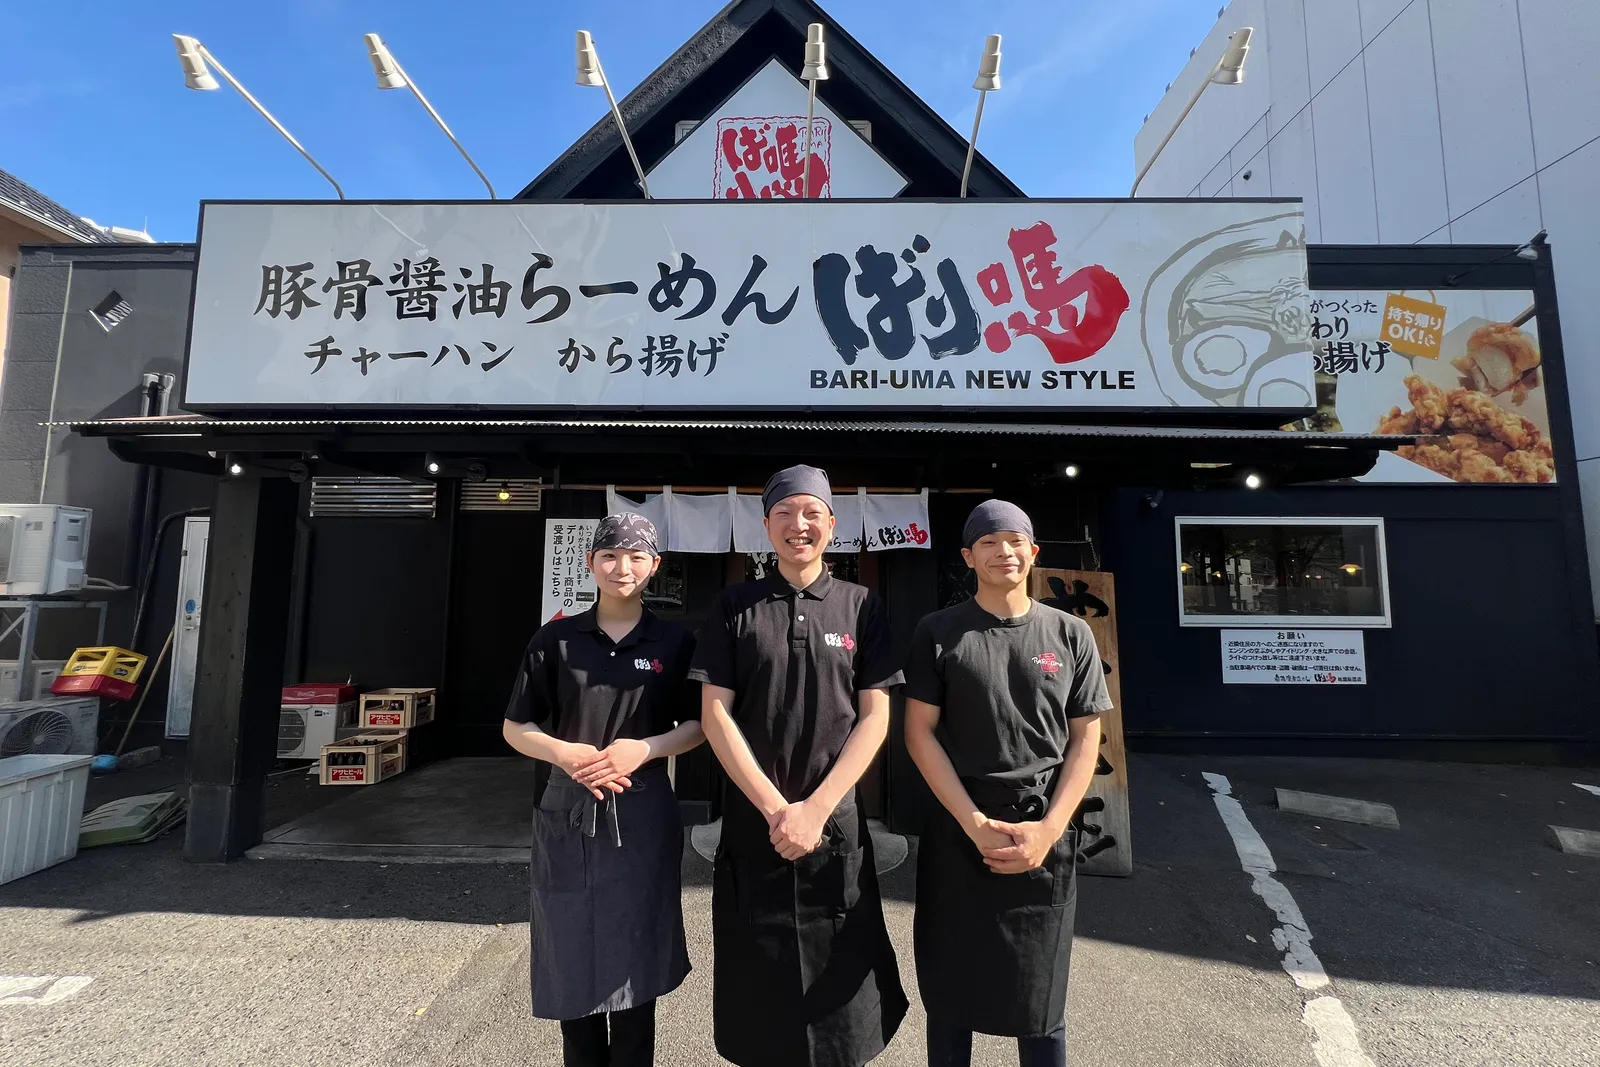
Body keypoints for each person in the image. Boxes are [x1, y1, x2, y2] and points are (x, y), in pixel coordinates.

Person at [690, 464, 909, 1067]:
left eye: (812, 512)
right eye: (784, 514)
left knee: (841, 978)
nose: (799, 525)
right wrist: (777, 809)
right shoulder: (736, 606)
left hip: (834, 825)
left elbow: (876, 718)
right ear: (766, 527)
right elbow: (715, 715)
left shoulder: (862, 606)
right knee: (757, 979)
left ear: (832, 525)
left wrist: (814, 809)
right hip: (755, 824)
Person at [902, 500, 1111, 1067]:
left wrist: (1048, 831)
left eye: (1015, 541)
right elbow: (919, 734)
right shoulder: (939, 632)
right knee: (950, 990)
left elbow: (1085, 740)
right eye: (989, 543)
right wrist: (972, 823)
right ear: (969, 557)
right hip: (959, 827)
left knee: (1039, 1000)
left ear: (1033, 552)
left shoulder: (1069, 633)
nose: (1004, 552)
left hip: (1042, 827)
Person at [502, 513, 705, 1067]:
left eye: (637, 556)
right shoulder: (557, 638)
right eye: (610, 555)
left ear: (655, 566)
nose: (623, 567)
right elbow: (516, 726)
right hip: (566, 815)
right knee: (570, 951)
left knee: (637, 950)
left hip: (641, 813)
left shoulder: (674, 641)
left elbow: (699, 725)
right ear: (590, 563)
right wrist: (563, 752)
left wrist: (646, 748)